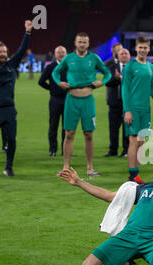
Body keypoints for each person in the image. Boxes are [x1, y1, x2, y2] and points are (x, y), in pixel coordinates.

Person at [0, 20, 33, 177]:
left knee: (12, 141)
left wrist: (27, 32)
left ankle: (8, 167)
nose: (3, 54)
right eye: (0, 51)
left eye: (4, 51)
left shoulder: (11, 64)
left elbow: (22, 50)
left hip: (9, 109)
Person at [52, 32, 111, 178]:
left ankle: (90, 168)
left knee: (89, 134)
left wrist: (102, 82)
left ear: (88, 44)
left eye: (84, 42)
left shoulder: (94, 58)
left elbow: (107, 73)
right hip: (71, 99)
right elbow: (55, 72)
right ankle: (65, 167)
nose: (82, 44)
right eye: (80, 42)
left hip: (87, 100)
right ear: (75, 43)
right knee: (69, 133)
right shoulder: (69, 58)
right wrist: (59, 82)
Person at [122, 36, 153, 184]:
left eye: (145, 48)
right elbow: (125, 89)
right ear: (136, 48)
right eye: (140, 47)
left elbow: (151, 86)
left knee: (141, 142)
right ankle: (132, 176)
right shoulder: (130, 66)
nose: (143, 50)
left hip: (145, 110)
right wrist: (127, 110)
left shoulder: (151, 67)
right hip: (133, 109)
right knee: (133, 140)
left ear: (149, 49)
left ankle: (136, 174)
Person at [38, 46, 68, 157]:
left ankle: (66, 150)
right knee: (53, 126)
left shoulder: (70, 66)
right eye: (59, 52)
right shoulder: (50, 67)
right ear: (55, 54)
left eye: (63, 52)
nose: (61, 54)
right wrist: (52, 88)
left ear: (66, 54)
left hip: (68, 100)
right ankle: (53, 150)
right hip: (55, 100)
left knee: (67, 127)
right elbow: (41, 81)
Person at [103, 45, 130, 158]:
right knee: (113, 128)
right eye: (121, 54)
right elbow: (107, 82)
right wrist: (116, 79)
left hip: (127, 103)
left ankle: (125, 150)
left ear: (129, 56)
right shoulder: (111, 67)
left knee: (126, 128)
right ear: (118, 56)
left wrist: (121, 79)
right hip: (114, 102)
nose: (123, 55)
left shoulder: (133, 67)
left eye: (125, 53)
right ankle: (113, 150)